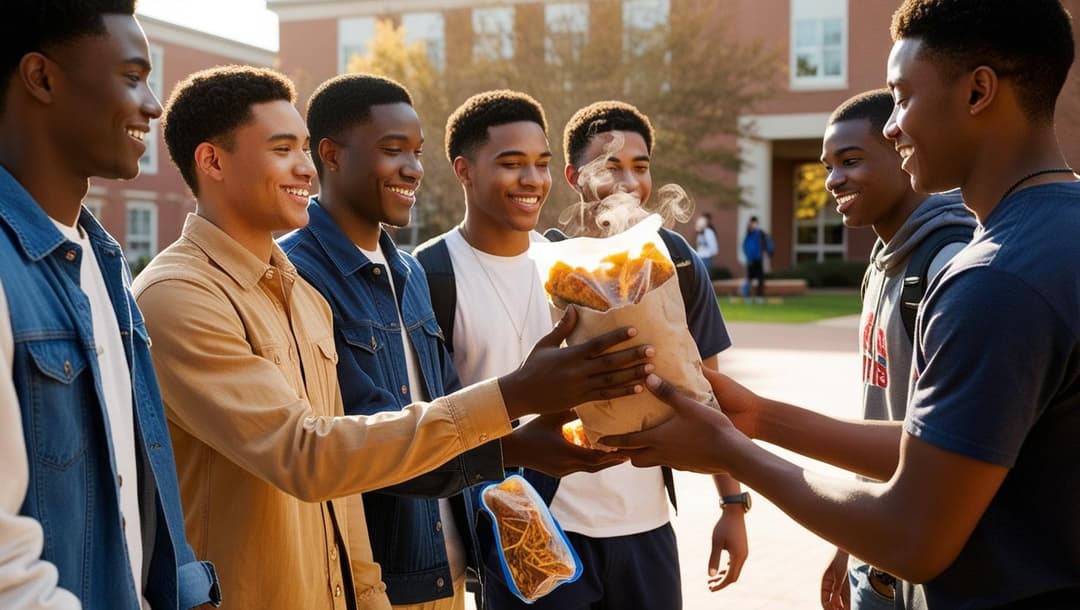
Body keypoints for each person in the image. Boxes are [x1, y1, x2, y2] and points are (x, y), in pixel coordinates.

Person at [604, 1, 1080, 608]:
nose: (892, 126)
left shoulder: (996, 277)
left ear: (979, 90)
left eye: (903, 97)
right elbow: (942, 450)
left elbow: (911, 538)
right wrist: (757, 416)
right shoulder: (1054, 235)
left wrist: (728, 452)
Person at [134, 66, 653, 610]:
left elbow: (343, 498)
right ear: (213, 161)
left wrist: (370, 591)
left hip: (411, 580)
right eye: (283, 149)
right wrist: (515, 399)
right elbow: (311, 455)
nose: (305, 168)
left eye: (304, 149)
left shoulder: (314, 287)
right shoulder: (180, 295)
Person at [440, 99, 747, 609]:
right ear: (573, 175)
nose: (627, 182)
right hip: (541, 519)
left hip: (645, 522)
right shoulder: (539, 260)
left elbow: (709, 393)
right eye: (609, 166)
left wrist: (732, 502)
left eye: (640, 166)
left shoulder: (674, 261)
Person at [0, 2, 220, 608]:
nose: (153, 105)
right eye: (132, 76)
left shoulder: (104, 260)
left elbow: (139, 483)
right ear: (42, 78)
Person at [415, 90, 630, 608]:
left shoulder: (568, 266)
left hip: (608, 523)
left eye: (541, 163)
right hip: (510, 528)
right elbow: (422, 422)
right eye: (512, 164)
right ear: (464, 170)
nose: (532, 180)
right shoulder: (427, 274)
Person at [816, 89, 975, 610]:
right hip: (876, 550)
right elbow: (876, 412)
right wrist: (850, 542)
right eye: (829, 166)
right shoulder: (880, 266)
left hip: (930, 561)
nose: (833, 179)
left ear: (900, 147)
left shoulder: (951, 260)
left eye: (851, 160)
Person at [740, 216, 771, 302]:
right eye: (751, 223)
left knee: (760, 279)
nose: (752, 225)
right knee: (749, 279)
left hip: (758, 259)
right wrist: (748, 256)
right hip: (750, 260)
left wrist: (768, 252)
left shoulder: (760, 233)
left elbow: (767, 243)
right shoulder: (748, 234)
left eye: (753, 223)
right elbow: (744, 246)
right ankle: (747, 296)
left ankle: (760, 296)